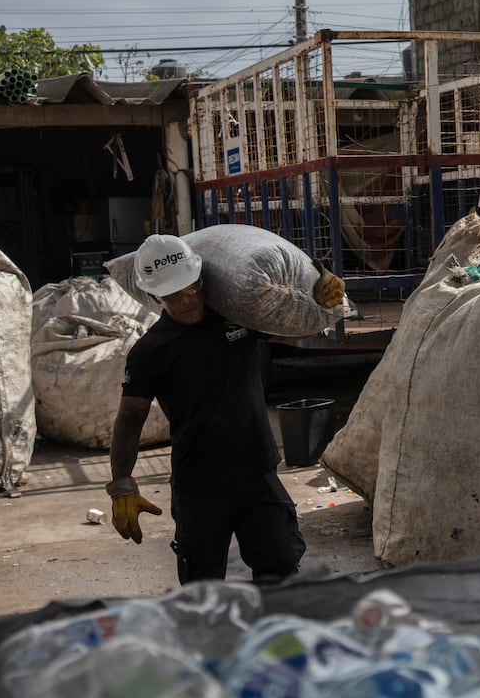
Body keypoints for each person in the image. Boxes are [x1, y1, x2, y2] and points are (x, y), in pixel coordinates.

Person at [106, 234, 346, 584]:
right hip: (199, 486)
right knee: (203, 588)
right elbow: (129, 419)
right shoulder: (150, 352)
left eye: (191, 287)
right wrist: (122, 484)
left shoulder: (237, 316)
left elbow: (293, 329)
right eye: (173, 293)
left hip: (257, 475)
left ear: (200, 277)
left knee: (281, 572)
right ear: (155, 295)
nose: (187, 299)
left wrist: (321, 293)